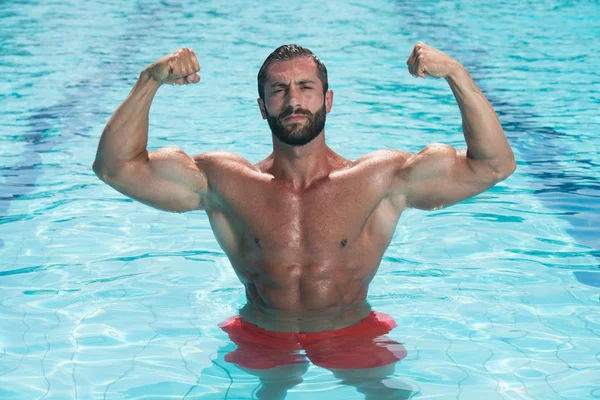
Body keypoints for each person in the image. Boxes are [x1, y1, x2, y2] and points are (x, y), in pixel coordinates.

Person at [93, 43, 515, 399]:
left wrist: (457, 73)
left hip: (351, 330)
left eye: (305, 87)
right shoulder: (223, 181)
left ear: (327, 100)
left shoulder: (381, 179)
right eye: (279, 90)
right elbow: (115, 168)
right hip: (262, 332)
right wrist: (149, 81)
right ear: (262, 107)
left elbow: (494, 166)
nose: (293, 100)